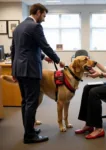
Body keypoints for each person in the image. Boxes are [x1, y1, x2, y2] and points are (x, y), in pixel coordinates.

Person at [11, 3, 65, 144]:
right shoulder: (35, 26)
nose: (44, 19)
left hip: (20, 69)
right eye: (44, 15)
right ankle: (29, 136)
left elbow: (17, 50)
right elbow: (44, 45)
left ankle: (29, 131)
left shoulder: (18, 27)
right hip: (30, 70)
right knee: (31, 102)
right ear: (38, 12)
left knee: (25, 102)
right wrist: (58, 60)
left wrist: (14, 70)